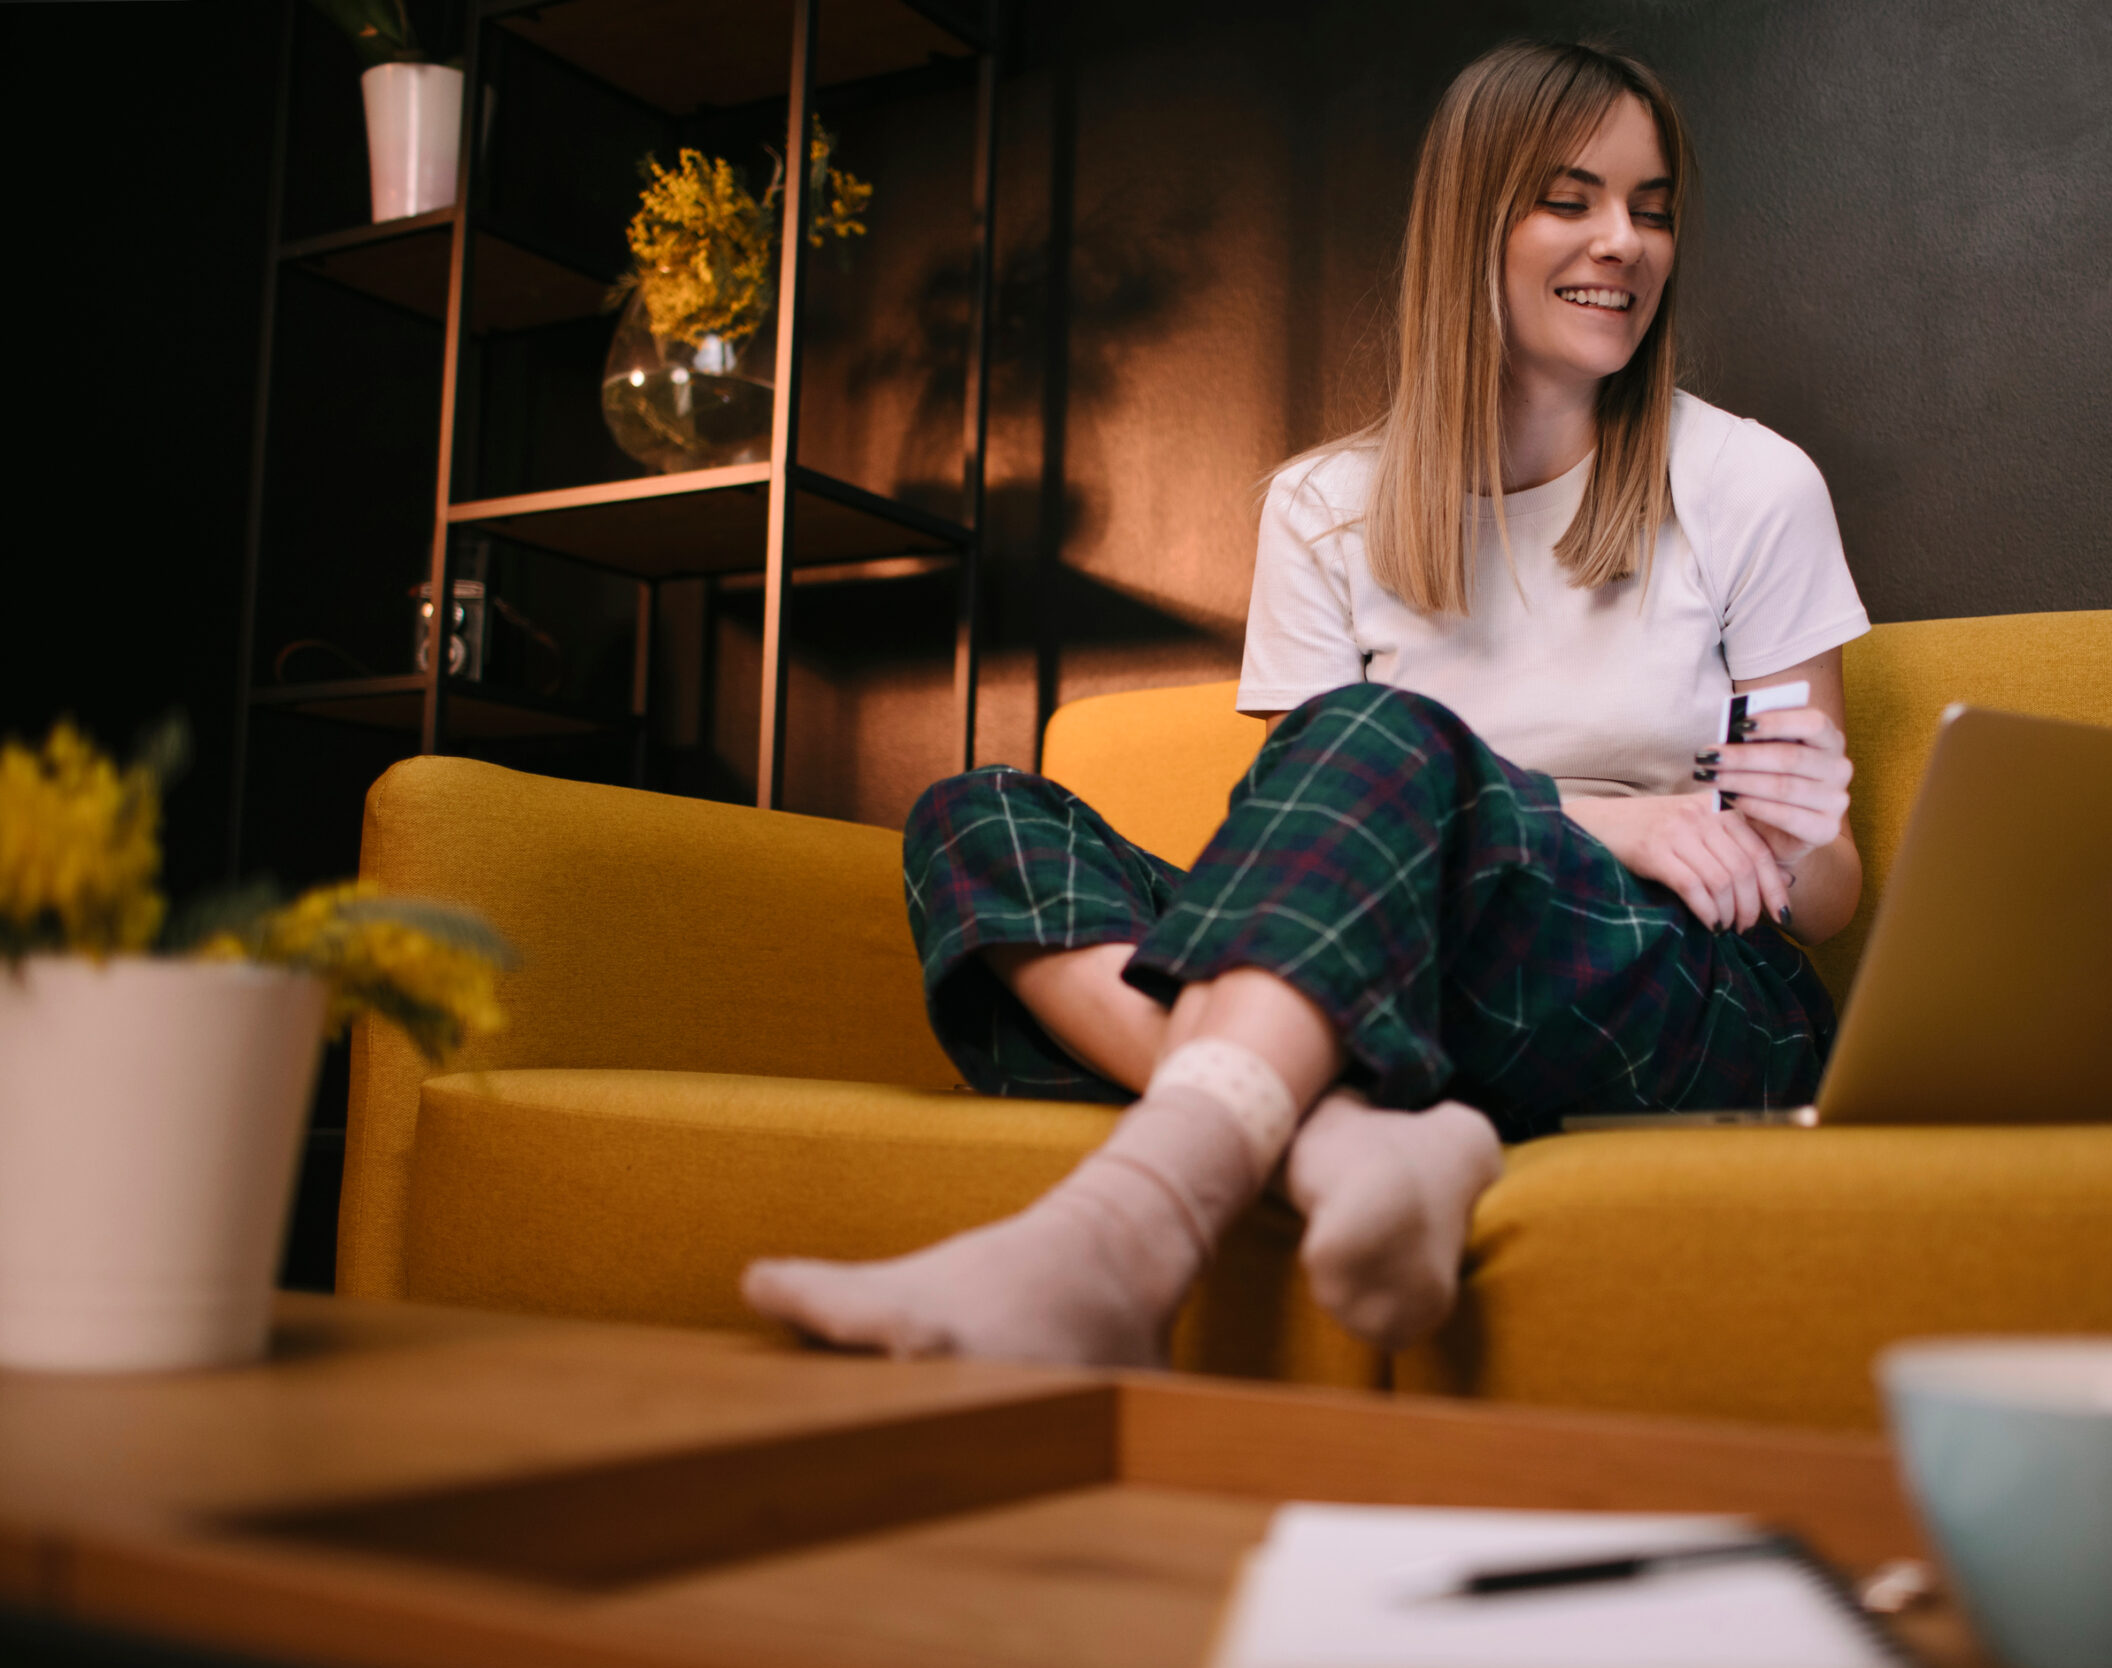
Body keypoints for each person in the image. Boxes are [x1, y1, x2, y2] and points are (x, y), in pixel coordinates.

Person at [743, 39, 1867, 1367]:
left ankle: (1122, 1239)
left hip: (1676, 986)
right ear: (1470, 223)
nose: (1621, 240)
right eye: (1569, 199)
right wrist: (1610, 817)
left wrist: (1762, 846)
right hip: (1406, 976)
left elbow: (1830, 880)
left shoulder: (1750, 484)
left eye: (1653, 206)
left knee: (1377, 739)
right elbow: (1307, 842)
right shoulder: (1323, 508)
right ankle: (1351, 1139)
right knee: (974, 818)